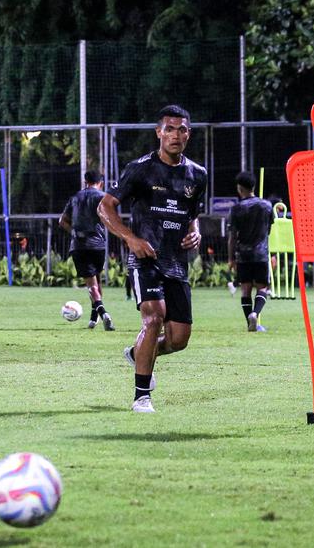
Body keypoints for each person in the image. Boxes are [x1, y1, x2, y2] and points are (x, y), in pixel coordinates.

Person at [99, 105, 207, 413]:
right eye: (169, 129)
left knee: (179, 339)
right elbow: (105, 207)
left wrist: (195, 230)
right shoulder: (141, 168)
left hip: (176, 262)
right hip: (144, 260)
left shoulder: (198, 175)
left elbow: (192, 215)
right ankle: (141, 396)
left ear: (189, 134)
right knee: (153, 316)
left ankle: (139, 353)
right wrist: (131, 239)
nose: (176, 135)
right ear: (158, 133)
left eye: (182, 129)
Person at [59, 170, 114, 330]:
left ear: (85, 182)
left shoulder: (75, 197)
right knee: (97, 279)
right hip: (98, 245)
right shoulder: (103, 196)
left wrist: (74, 232)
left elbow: (62, 221)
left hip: (79, 246)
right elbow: (108, 217)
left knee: (91, 285)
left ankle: (103, 313)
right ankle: (93, 318)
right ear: (101, 183)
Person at [228, 171, 274, 332]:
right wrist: (272, 254)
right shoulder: (267, 206)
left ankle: (250, 323)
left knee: (245, 289)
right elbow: (268, 231)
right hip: (261, 254)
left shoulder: (236, 209)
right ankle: (255, 314)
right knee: (263, 288)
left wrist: (231, 258)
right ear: (253, 186)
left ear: (239, 189)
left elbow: (232, 236)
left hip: (243, 255)